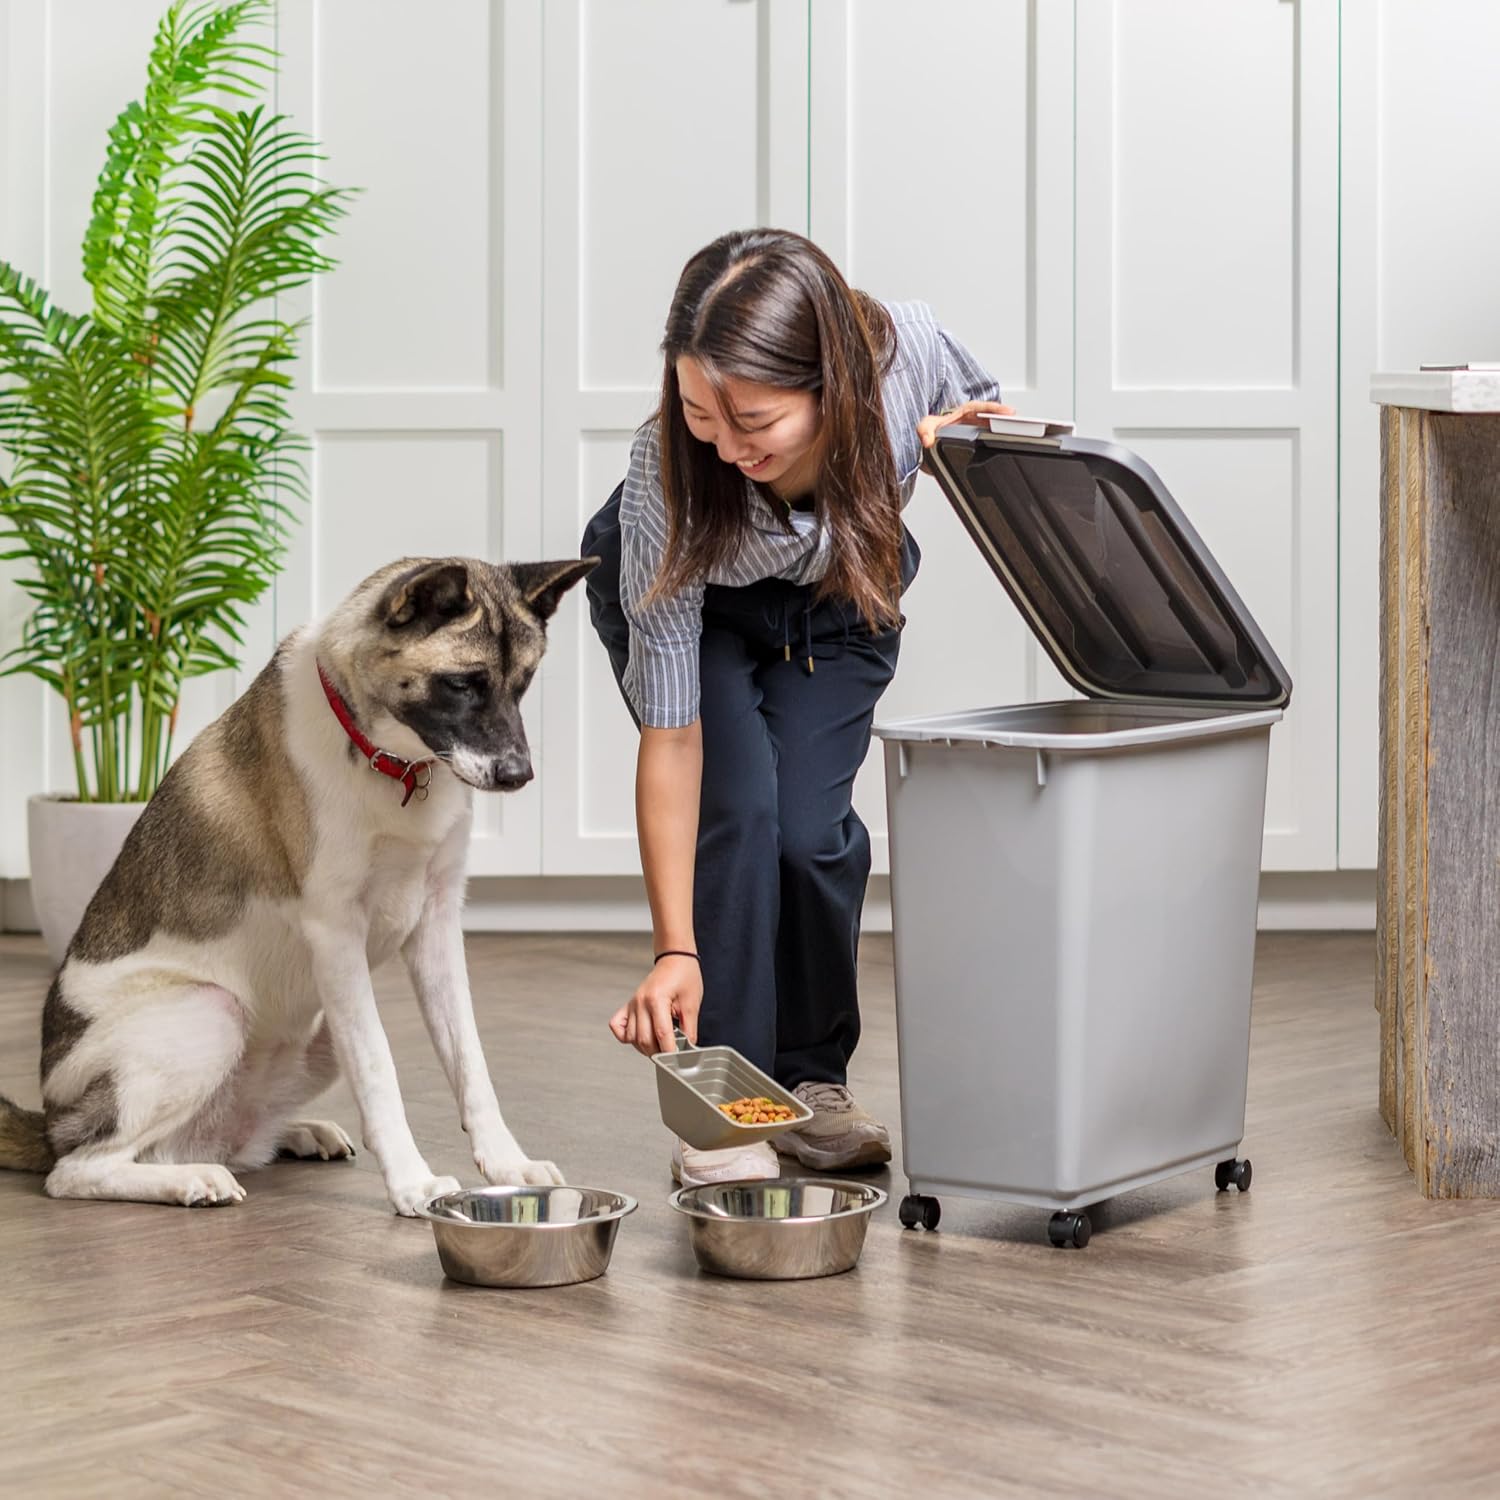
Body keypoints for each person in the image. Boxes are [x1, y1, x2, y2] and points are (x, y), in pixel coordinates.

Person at [581, 228, 1009, 1187]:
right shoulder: (669, 476)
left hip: (838, 593)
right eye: (700, 412)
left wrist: (964, 452)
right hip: (701, 604)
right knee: (742, 813)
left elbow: (992, 435)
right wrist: (673, 947)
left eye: (755, 422)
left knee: (811, 837)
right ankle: (727, 1110)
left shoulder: (906, 356)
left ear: (833, 387)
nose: (725, 447)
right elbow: (675, 734)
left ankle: (812, 1085)